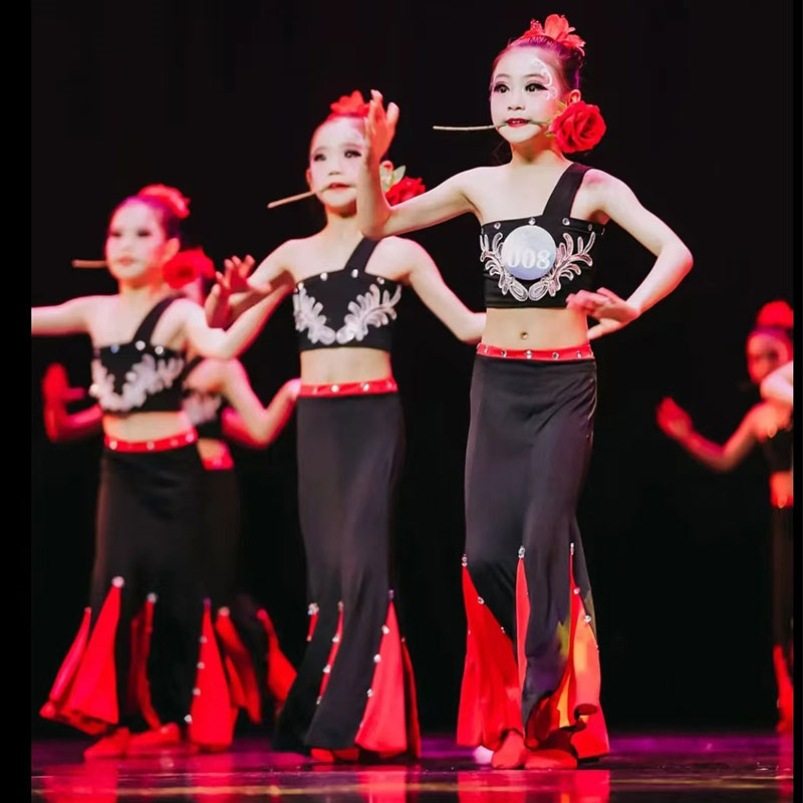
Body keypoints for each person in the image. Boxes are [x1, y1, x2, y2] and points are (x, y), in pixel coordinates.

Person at [355, 14, 693, 769]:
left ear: (569, 101)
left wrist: (630, 307)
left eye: (532, 87)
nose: (512, 99)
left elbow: (676, 251)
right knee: (483, 555)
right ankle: (511, 710)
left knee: (543, 540)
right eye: (500, 87)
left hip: (564, 383)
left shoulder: (592, 187)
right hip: (496, 380)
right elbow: (380, 225)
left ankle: (549, 716)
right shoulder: (478, 185)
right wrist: (373, 164)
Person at [208, 90, 486, 762]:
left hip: (372, 421)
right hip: (317, 424)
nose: (335, 166)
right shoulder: (292, 255)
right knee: (328, 573)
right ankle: (331, 715)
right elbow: (221, 341)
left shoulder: (399, 254)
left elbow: (466, 326)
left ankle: (350, 725)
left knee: (362, 565)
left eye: (353, 153)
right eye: (322, 156)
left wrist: (551, 314)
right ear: (306, 175)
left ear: (381, 167)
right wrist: (222, 298)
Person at [32, 184, 286, 758]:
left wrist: (267, 294)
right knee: (113, 587)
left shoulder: (180, 313)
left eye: (142, 234)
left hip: (175, 472)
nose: (125, 244)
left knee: (176, 592)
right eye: (116, 233)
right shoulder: (95, 311)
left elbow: (220, 347)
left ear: (169, 249)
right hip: (120, 472)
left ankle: (173, 716)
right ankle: (118, 721)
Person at [656, 300, 794, 733]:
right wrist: (687, 437)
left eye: (771, 355)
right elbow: (724, 460)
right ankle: (790, 705)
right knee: (785, 610)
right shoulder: (760, 416)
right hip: (784, 519)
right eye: (755, 358)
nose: (762, 366)